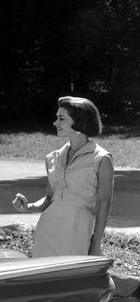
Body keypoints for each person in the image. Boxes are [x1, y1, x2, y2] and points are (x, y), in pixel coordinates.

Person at [12, 95, 114, 257]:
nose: (55, 123)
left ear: (79, 121)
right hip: (46, 230)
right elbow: (49, 198)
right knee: (42, 280)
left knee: (71, 280)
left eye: (61, 118)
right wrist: (28, 207)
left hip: (76, 232)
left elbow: (105, 203)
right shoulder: (53, 158)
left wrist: (96, 242)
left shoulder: (101, 159)